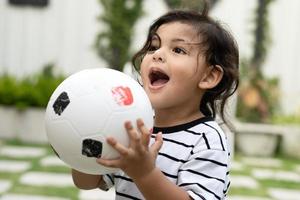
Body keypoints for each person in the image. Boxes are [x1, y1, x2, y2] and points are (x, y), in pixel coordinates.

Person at [72, 3, 239, 200]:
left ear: (208, 76)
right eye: (154, 46)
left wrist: (144, 173)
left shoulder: (207, 140)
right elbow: (87, 182)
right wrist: (85, 136)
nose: (157, 54)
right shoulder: (133, 126)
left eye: (178, 50)